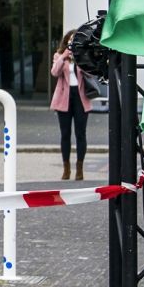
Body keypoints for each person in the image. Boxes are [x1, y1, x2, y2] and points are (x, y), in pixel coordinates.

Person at [49, 30, 92, 181]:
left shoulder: (83, 55)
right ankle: (66, 168)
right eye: (70, 40)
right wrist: (64, 56)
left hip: (80, 97)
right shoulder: (59, 55)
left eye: (75, 39)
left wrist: (80, 57)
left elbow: (90, 73)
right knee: (65, 134)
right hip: (64, 97)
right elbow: (54, 72)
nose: (72, 42)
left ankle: (79, 168)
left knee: (81, 133)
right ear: (66, 41)